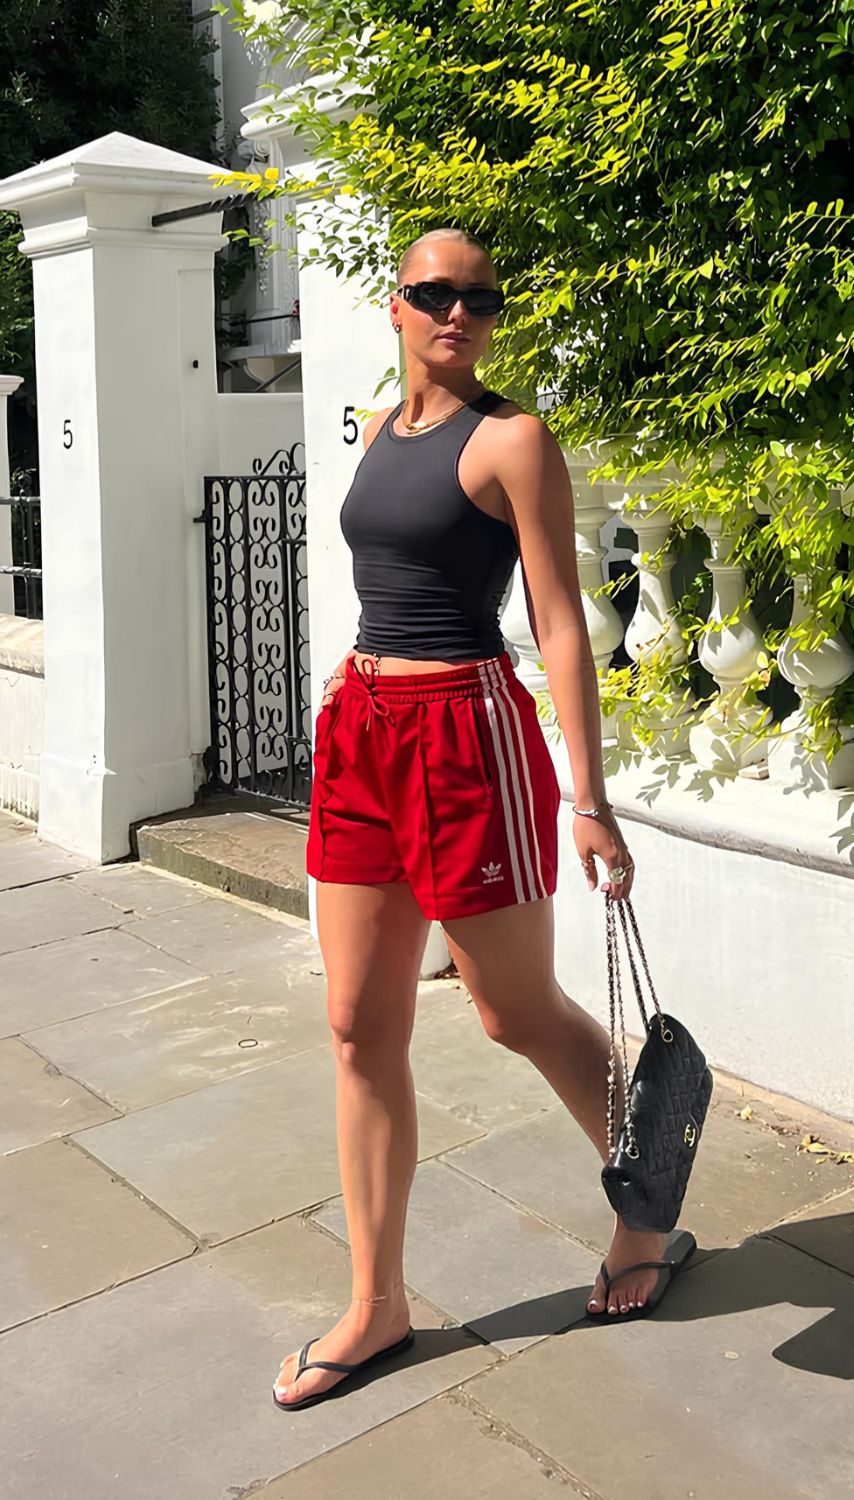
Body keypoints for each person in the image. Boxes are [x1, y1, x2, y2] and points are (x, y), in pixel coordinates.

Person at [272, 227, 677, 1412]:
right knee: (357, 1024)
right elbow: (385, 580)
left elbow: (557, 621)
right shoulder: (377, 432)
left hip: (464, 734)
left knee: (514, 1013)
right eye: (436, 293)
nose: (460, 311)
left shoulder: (511, 440)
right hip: (362, 731)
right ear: (396, 307)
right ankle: (377, 1303)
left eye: (481, 298)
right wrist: (352, 679)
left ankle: (649, 1215)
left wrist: (588, 797)